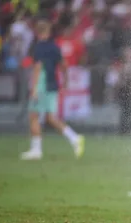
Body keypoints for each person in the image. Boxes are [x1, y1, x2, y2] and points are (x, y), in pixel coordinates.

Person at [21, 18, 84, 161]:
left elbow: (38, 67)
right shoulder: (55, 47)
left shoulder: (38, 47)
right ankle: (74, 138)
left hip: (42, 83)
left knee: (33, 116)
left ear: (38, 32)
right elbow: (64, 65)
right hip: (53, 84)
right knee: (50, 118)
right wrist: (66, 82)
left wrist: (35, 88)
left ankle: (36, 150)